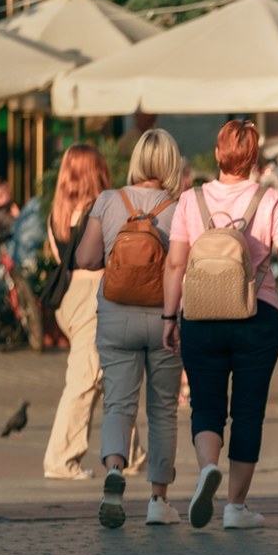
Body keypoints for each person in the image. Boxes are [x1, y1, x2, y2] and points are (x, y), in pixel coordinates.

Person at [161, 120, 278, 529]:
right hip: (257, 314)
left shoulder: (192, 200)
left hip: (200, 314)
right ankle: (236, 507)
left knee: (205, 403)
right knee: (248, 411)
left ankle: (208, 467)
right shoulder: (270, 198)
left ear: (218, 154)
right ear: (254, 157)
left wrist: (170, 317)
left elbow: (175, 263)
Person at [76, 129, 185, 528]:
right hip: (166, 318)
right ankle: (159, 500)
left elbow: (86, 259)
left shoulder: (107, 201)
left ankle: (115, 471)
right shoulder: (181, 206)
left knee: (118, 403)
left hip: (115, 315)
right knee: (163, 410)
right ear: (172, 162)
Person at [42, 145, 145, 480]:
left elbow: (59, 259)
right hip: (95, 294)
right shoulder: (102, 207)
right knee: (85, 378)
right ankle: (60, 459)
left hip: (70, 297)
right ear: (96, 171)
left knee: (110, 372)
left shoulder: (58, 213)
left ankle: (131, 454)